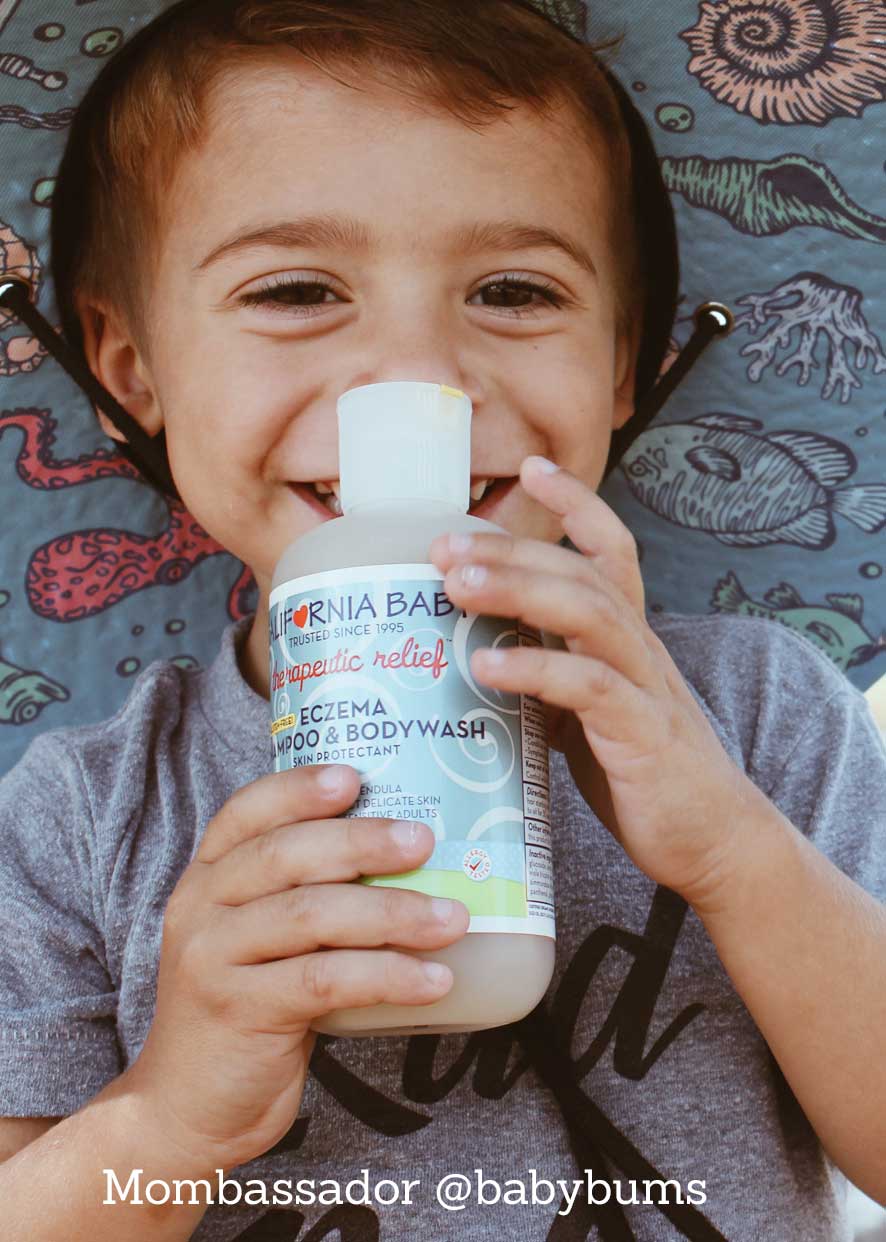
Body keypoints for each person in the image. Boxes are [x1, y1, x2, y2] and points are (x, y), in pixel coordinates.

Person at [1, 1, 885, 1239]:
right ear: (130, 365)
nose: (418, 377)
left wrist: (736, 855)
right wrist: (169, 1116)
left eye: (514, 291)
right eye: (296, 289)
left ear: (622, 364)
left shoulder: (751, 710)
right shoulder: (86, 812)